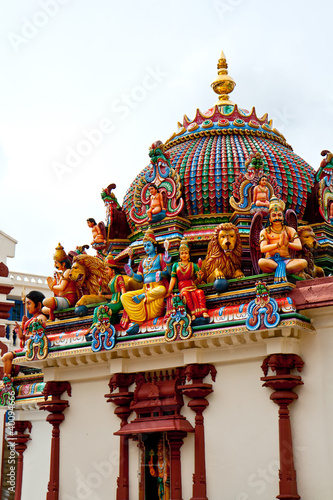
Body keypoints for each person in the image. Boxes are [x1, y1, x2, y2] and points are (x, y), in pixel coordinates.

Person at [121, 228, 171, 334]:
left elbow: (168, 273)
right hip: (145, 289)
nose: (146, 248)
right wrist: (131, 274)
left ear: (154, 246)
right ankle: (137, 321)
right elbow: (140, 279)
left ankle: (143, 298)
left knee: (162, 289)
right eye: (145, 246)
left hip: (156, 288)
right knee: (124, 297)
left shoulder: (160, 257)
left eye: (148, 245)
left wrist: (162, 272)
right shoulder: (143, 262)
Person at [258, 197, 307, 282]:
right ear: (270, 219)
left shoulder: (289, 230)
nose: (277, 217)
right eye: (274, 215)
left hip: (287, 261)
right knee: (261, 262)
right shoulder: (265, 231)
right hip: (271, 261)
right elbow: (263, 249)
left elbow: (299, 246)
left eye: (279, 215)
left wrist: (287, 244)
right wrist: (278, 245)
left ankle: (281, 268)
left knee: (303, 262)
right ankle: (281, 268)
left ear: (283, 217)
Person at [2, 291, 47, 378]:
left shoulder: (41, 318)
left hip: (33, 350)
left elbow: (38, 336)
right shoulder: (33, 318)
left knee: (7, 357)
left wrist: (23, 336)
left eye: (29, 303)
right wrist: (21, 330)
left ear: (39, 305)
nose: (27, 307)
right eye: (26, 304)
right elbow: (25, 337)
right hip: (27, 348)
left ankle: (7, 382)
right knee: (6, 357)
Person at [167, 239, 209, 321]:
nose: (184, 255)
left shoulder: (193, 265)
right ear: (179, 255)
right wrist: (169, 290)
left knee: (199, 292)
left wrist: (200, 276)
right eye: (182, 253)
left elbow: (199, 280)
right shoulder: (176, 265)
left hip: (192, 285)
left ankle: (203, 311)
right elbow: (173, 278)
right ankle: (193, 313)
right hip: (183, 286)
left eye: (186, 253)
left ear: (189, 255)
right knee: (186, 295)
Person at [90, 254, 126, 329]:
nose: (106, 271)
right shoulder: (111, 280)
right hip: (113, 302)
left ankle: (99, 327)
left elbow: (123, 290)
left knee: (102, 309)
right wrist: (102, 296)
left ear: (112, 270)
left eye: (107, 269)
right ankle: (94, 326)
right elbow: (113, 295)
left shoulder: (118, 277)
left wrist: (125, 301)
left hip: (118, 302)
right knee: (96, 309)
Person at [42, 244, 78, 320]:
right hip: (63, 299)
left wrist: (52, 286)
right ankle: (53, 314)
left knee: (46, 301)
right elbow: (59, 292)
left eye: (56, 263)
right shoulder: (62, 274)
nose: (55, 265)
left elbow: (62, 288)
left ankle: (53, 315)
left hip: (69, 300)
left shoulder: (67, 272)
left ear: (63, 263)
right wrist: (54, 285)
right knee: (43, 309)